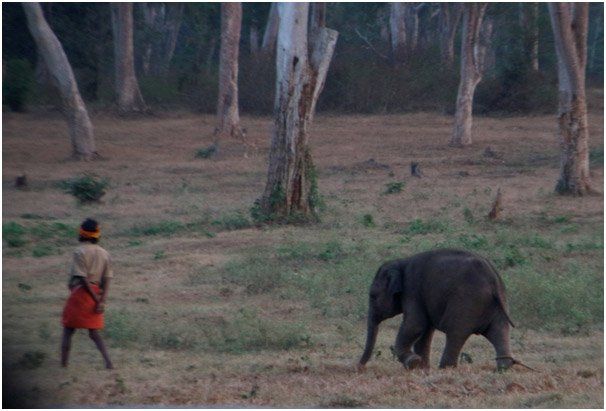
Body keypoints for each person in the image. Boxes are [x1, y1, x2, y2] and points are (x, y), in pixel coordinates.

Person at [61, 218, 113, 369]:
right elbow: (108, 278)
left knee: (68, 329)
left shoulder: (80, 252)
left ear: (82, 233)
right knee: (94, 332)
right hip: (97, 291)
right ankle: (108, 362)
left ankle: (64, 365)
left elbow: (82, 278)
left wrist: (95, 299)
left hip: (81, 293)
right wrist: (102, 300)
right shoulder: (105, 253)